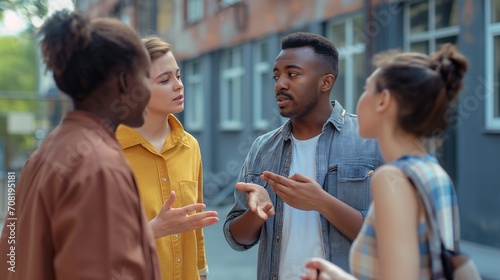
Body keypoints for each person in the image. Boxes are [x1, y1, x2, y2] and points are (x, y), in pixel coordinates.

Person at [0, 10, 160, 280]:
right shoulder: (98, 167)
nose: (150, 88)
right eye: (146, 75)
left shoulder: (46, 152)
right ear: (124, 81)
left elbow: (11, 258)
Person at [223, 32, 383, 280]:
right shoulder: (262, 148)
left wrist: (321, 202)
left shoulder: (371, 140)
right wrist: (256, 214)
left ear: (326, 82)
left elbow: (389, 238)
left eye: (293, 74)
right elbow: (237, 238)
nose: (280, 84)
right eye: (276, 76)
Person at [301, 44, 469, 280]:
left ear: (383, 101)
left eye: (365, 88)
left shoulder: (390, 177)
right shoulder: (432, 171)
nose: (359, 99)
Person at [116, 36, 218, 280]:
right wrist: (152, 230)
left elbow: (195, 229)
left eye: (179, 76)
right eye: (165, 79)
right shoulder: (108, 153)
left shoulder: (190, 146)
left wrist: (202, 274)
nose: (179, 85)